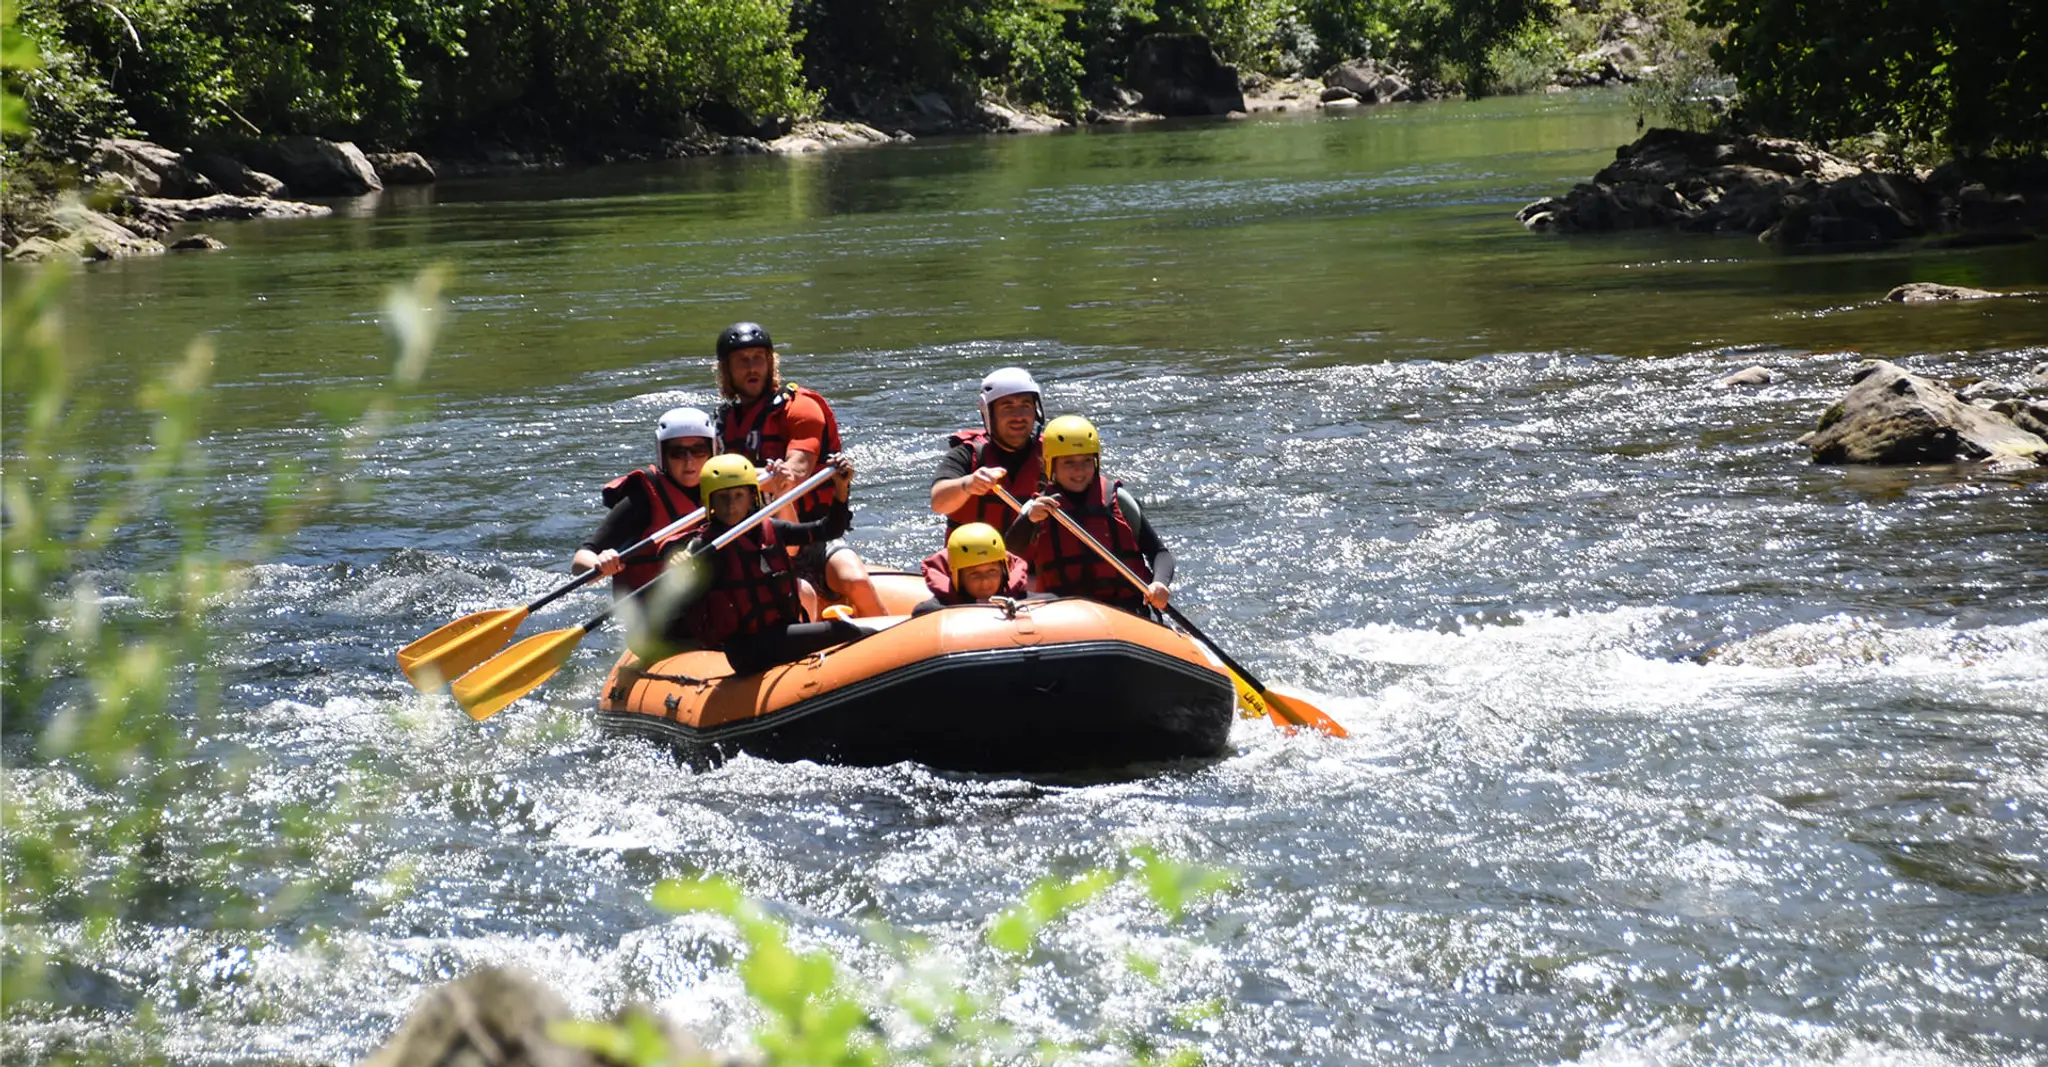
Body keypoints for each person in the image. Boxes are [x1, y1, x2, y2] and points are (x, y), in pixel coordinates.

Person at [711, 321, 883, 618]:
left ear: (770, 363)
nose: (752, 368)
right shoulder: (721, 424)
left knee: (855, 579)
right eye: (742, 361)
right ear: (726, 370)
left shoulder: (801, 407)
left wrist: (776, 477)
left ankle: (891, 636)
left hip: (813, 532)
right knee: (796, 595)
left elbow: (797, 472)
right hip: (759, 539)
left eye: (758, 358)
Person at [651, 452, 867, 674]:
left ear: (752, 497)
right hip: (746, 650)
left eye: (738, 495)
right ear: (710, 501)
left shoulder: (772, 529)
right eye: (722, 497)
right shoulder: (703, 546)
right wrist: (681, 566)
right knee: (845, 633)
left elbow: (829, 529)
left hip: (782, 632)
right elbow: (677, 592)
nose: (731, 505)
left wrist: (841, 488)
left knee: (844, 631)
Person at [1005, 415, 1173, 616]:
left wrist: (1160, 583)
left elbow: (1159, 552)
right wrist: (1028, 520)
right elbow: (1010, 552)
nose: (1079, 470)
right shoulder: (1037, 508)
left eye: (1086, 460)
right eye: (1068, 462)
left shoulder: (1118, 500)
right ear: (1051, 465)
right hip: (1062, 611)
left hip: (1124, 609)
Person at [572, 407, 716, 596]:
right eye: (678, 452)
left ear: (712, 451)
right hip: (652, 607)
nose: (689, 461)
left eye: (698, 450)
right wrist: (600, 564)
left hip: (710, 604)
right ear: (663, 455)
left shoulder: (727, 489)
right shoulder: (642, 499)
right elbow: (580, 560)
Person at [928, 366, 1045, 534]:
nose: (1019, 416)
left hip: (1031, 551)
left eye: (1025, 405)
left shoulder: (1053, 453)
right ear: (989, 413)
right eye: (1007, 407)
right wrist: (968, 484)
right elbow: (938, 503)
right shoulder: (967, 454)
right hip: (976, 550)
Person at [912, 522, 1033, 616]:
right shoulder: (931, 612)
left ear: (1004, 570)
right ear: (957, 577)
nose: (985, 581)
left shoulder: (1032, 604)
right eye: (974, 573)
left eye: (992, 571)